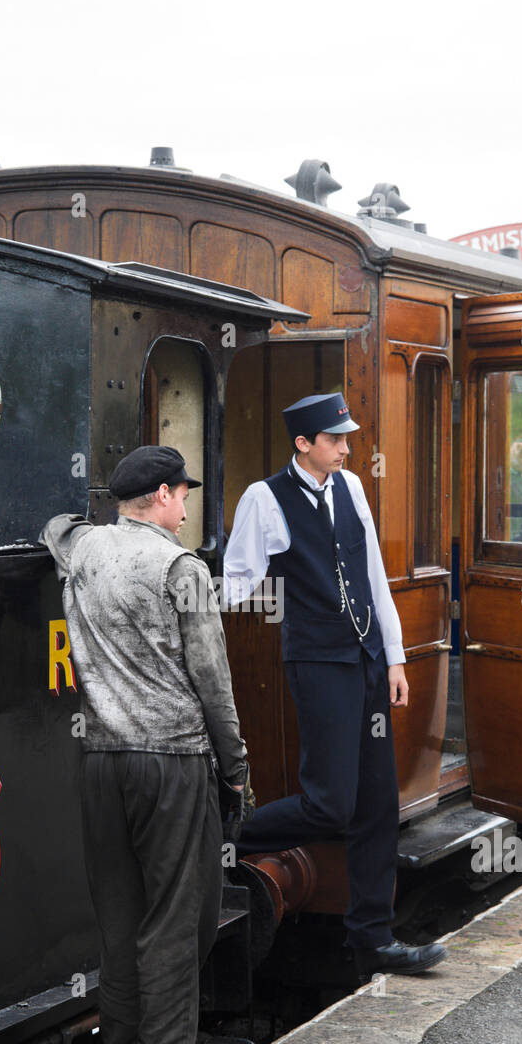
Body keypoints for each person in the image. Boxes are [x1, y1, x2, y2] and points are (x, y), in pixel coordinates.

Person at [41, 445, 249, 1044]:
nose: (187, 505)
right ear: (161, 495)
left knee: (123, 923)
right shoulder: (179, 567)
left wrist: (87, 525)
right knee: (177, 923)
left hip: (101, 762)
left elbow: (56, 527)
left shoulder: (83, 550)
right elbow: (213, 684)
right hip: (172, 761)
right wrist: (237, 767)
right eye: (182, 493)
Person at [224, 392, 446, 982]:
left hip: (369, 660)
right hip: (318, 663)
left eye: (346, 438)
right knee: (331, 803)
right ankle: (225, 839)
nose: (347, 448)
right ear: (303, 444)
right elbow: (235, 584)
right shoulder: (264, 499)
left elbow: (373, 575)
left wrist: (394, 659)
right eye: (336, 439)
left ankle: (374, 941)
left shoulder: (350, 488)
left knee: (378, 805)